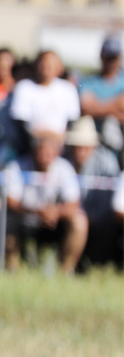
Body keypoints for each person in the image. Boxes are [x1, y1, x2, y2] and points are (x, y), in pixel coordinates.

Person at [1, 128, 85, 273]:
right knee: (6, 217)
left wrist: (56, 212)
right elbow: (10, 201)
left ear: (56, 153)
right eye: (42, 151)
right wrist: (36, 211)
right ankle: (12, 267)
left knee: (79, 219)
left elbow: (73, 203)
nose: (45, 156)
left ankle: (66, 271)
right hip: (24, 220)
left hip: (54, 222)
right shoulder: (17, 166)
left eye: (49, 151)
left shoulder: (64, 168)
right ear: (34, 150)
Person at [65, 115, 119, 270]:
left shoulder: (107, 163)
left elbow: (109, 205)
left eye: (84, 147)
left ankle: (97, 268)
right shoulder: (63, 160)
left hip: (100, 221)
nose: (80, 152)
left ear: (93, 146)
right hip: (68, 219)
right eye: (76, 146)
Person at [9, 50, 81, 148]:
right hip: (30, 146)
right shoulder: (23, 87)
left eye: (51, 65)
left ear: (60, 68)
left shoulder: (68, 89)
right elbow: (20, 122)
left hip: (60, 147)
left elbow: (72, 120)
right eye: (43, 64)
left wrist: (57, 138)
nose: (46, 69)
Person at [79, 35, 124, 151]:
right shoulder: (89, 81)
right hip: (93, 146)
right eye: (108, 57)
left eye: (113, 57)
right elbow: (86, 108)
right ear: (101, 56)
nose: (111, 62)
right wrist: (116, 105)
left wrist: (98, 106)